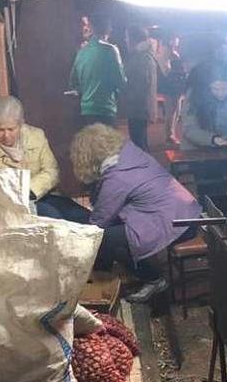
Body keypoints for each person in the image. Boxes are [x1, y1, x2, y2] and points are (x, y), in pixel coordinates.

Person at [70, 124, 202, 302]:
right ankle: (106, 274)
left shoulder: (116, 176)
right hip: (187, 212)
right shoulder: (130, 154)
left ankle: (153, 279)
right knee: (115, 232)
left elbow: (100, 221)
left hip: (176, 224)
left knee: (103, 238)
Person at [0, 96, 88, 222]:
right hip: (10, 206)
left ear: (21, 124)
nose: (5, 135)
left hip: (40, 193)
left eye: (11, 129)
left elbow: (51, 171)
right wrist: (19, 194)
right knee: (55, 219)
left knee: (81, 216)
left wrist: (30, 190)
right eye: (0, 130)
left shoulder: (36, 136)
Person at [69, 14, 126, 128]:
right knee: (108, 144)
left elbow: (73, 83)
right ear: (107, 30)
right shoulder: (111, 50)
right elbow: (121, 81)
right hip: (106, 108)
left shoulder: (82, 52)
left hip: (86, 110)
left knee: (92, 144)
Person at [180, 66, 227, 150]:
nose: (220, 93)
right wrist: (213, 139)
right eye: (215, 89)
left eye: (224, 89)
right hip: (195, 152)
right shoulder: (195, 96)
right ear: (207, 87)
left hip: (226, 150)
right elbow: (189, 129)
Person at [123, 26, 159, 151]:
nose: (125, 40)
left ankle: (145, 169)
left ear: (134, 39)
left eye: (127, 37)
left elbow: (142, 83)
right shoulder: (141, 55)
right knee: (139, 142)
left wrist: (128, 96)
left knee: (139, 144)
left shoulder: (142, 57)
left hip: (138, 107)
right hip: (138, 107)